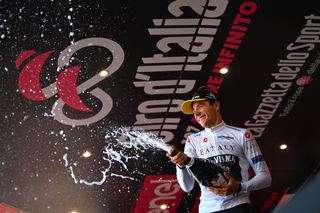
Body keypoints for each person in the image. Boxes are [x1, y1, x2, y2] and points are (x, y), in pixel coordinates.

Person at [167, 86, 272, 213]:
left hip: (239, 206)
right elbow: (187, 187)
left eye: (200, 106)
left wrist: (239, 187)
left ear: (216, 106)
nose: (196, 113)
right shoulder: (192, 140)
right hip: (207, 210)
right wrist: (180, 166)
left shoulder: (242, 134)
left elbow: (265, 177)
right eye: (194, 110)